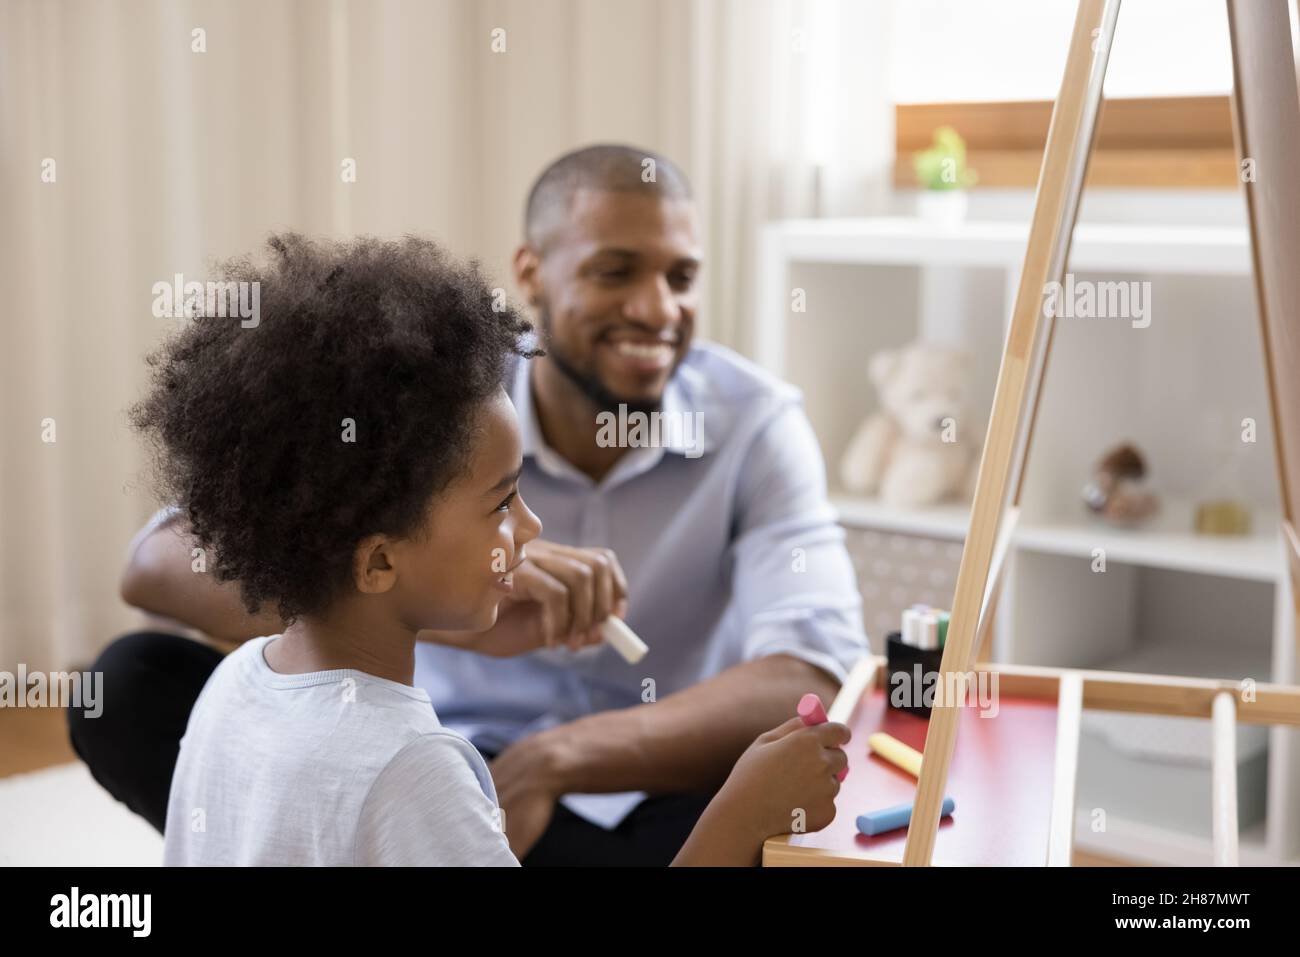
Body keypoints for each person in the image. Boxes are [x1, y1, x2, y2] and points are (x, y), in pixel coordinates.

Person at [70, 143, 868, 866]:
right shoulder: (441, 411)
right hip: (447, 765)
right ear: (532, 272)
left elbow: (810, 669)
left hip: (624, 795)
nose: (657, 309)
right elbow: (157, 562)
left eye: (680, 277)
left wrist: (555, 757)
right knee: (131, 679)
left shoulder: (756, 423)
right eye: (616, 270)